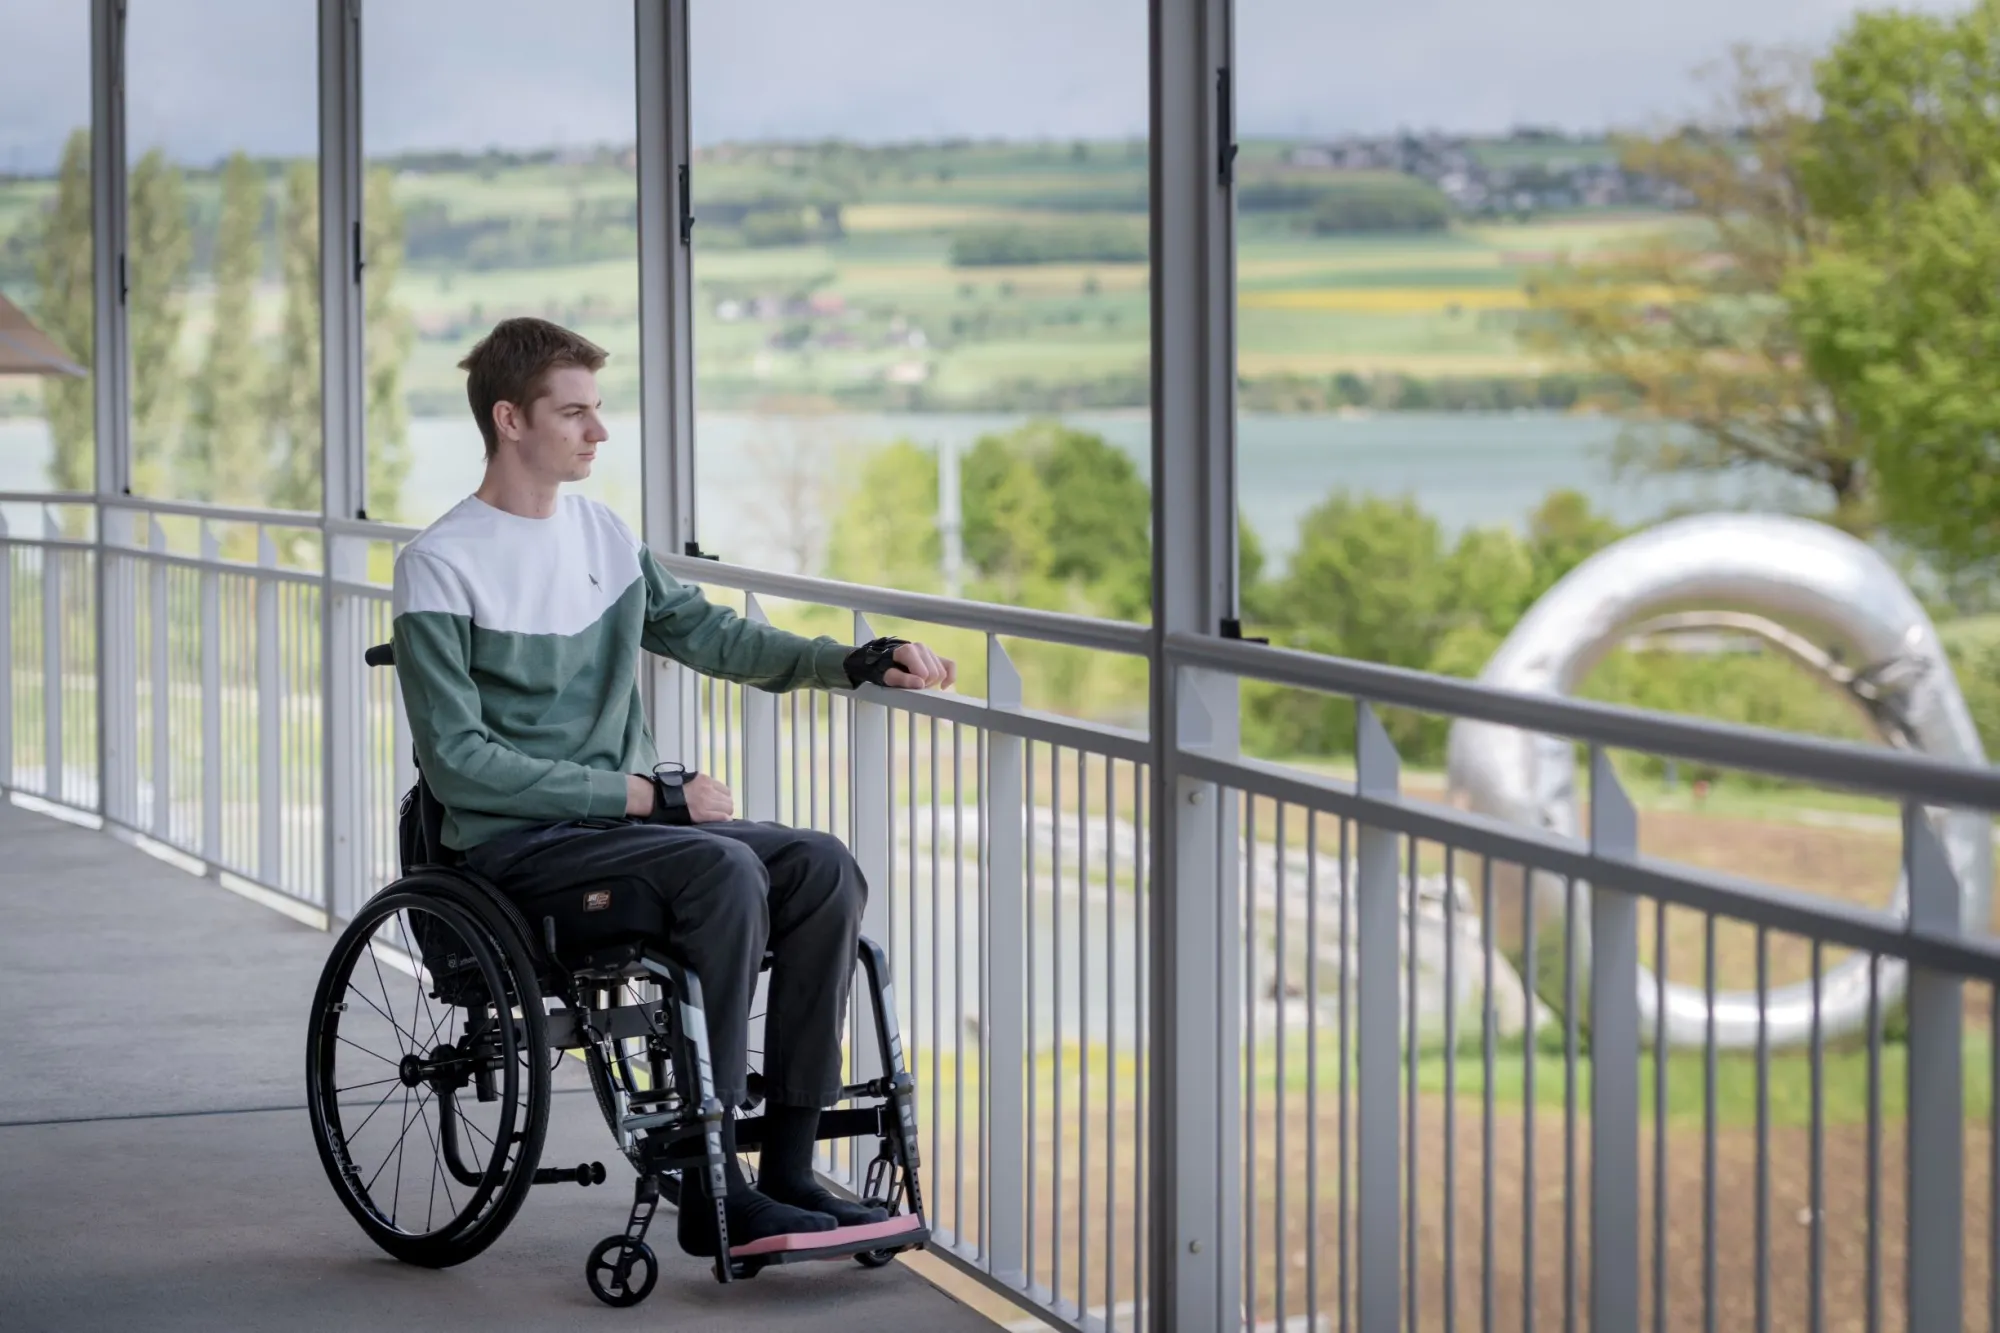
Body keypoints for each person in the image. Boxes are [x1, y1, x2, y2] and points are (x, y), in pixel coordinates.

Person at [388, 317, 956, 1258]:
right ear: (509, 419)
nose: (598, 433)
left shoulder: (605, 537)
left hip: (625, 837)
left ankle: (786, 1167)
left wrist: (852, 661)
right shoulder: (438, 565)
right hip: (515, 855)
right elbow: (461, 765)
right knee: (719, 872)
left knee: (820, 866)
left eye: (598, 411)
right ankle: (709, 1176)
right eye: (575, 413)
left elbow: (717, 635)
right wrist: (648, 796)